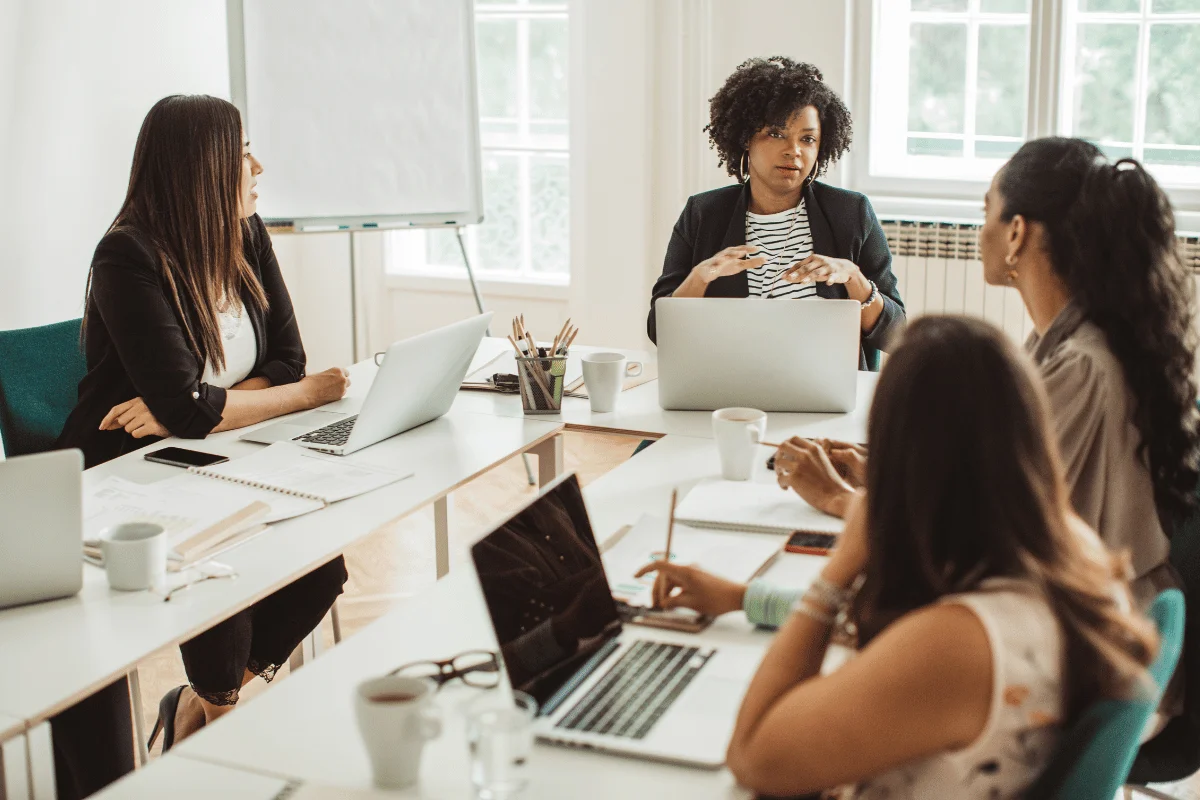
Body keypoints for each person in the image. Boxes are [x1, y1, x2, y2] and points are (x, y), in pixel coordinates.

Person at [643, 316, 1158, 798]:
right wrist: (743, 597)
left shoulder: (959, 645)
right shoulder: (1068, 548)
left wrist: (840, 565)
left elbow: (753, 756)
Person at [730, 138, 1197, 615]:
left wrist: (838, 498)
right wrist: (880, 476)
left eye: (986, 210)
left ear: (1016, 233)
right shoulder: (1055, 342)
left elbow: (983, 538)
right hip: (1068, 606)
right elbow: (996, 486)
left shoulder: (1082, 367)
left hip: (1091, 629)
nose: (980, 230)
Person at [54, 95, 350, 795]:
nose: (259, 166)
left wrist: (213, 408)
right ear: (203, 166)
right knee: (228, 585)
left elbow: (288, 356)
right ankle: (213, 724)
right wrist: (295, 400)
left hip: (210, 455)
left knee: (321, 569)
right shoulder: (126, 254)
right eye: (243, 151)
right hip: (122, 471)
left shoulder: (244, 235)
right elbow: (266, 390)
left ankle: (196, 707)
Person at [647, 57, 904, 370]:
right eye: (776, 134)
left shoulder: (850, 213)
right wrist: (699, 279)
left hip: (824, 388)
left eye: (807, 139)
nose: (794, 150)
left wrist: (854, 279)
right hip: (729, 387)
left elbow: (896, 334)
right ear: (745, 138)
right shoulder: (703, 214)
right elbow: (659, 331)